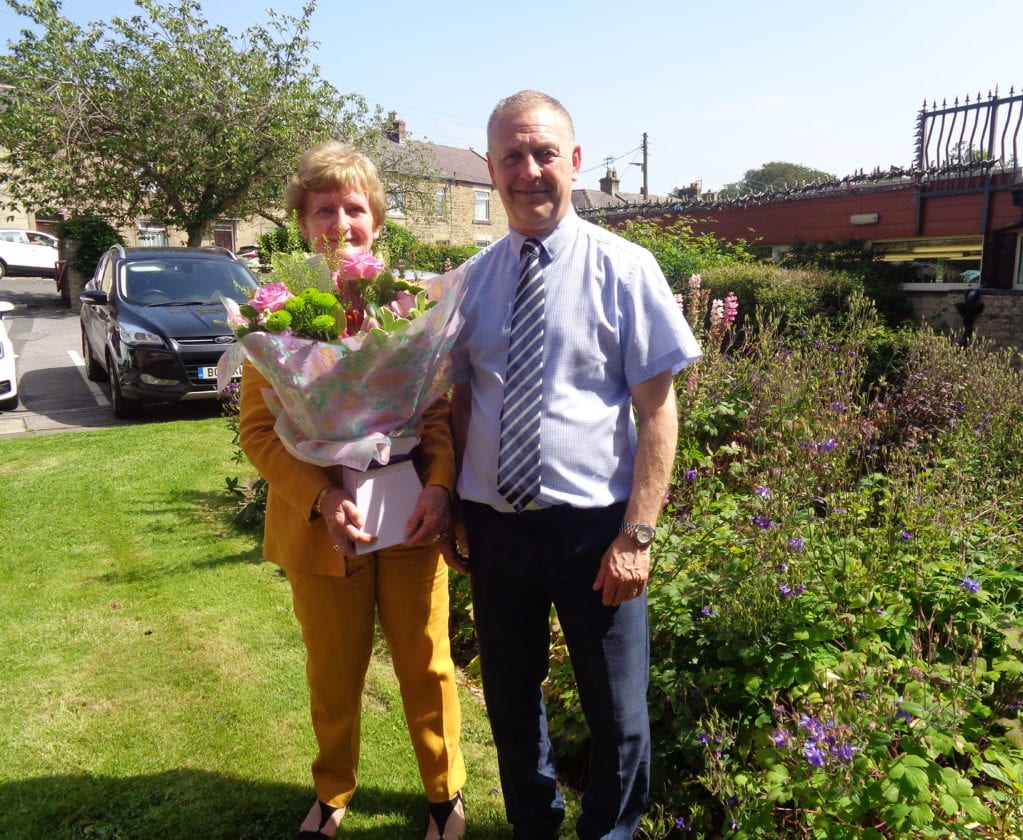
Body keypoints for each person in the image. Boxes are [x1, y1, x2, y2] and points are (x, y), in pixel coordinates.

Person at [449, 91, 700, 838]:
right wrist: (456, 504)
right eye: (512, 156)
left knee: (617, 713)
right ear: (491, 168)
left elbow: (659, 413)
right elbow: (462, 400)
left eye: (545, 153)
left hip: (596, 533)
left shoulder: (626, 269)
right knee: (510, 699)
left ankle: (609, 833)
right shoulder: (469, 280)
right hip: (496, 529)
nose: (529, 170)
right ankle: (533, 826)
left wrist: (638, 534)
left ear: (576, 161)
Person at [239, 140, 466, 840]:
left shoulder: (407, 306)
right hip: (320, 530)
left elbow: (434, 415)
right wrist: (321, 496)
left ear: (377, 220)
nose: (341, 224)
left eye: (355, 209)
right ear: (302, 222)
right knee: (332, 674)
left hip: (408, 519)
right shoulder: (273, 316)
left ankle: (446, 795)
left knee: (427, 664)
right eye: (324, 209)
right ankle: (332, 791)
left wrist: (440, 486)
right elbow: (259, 432)